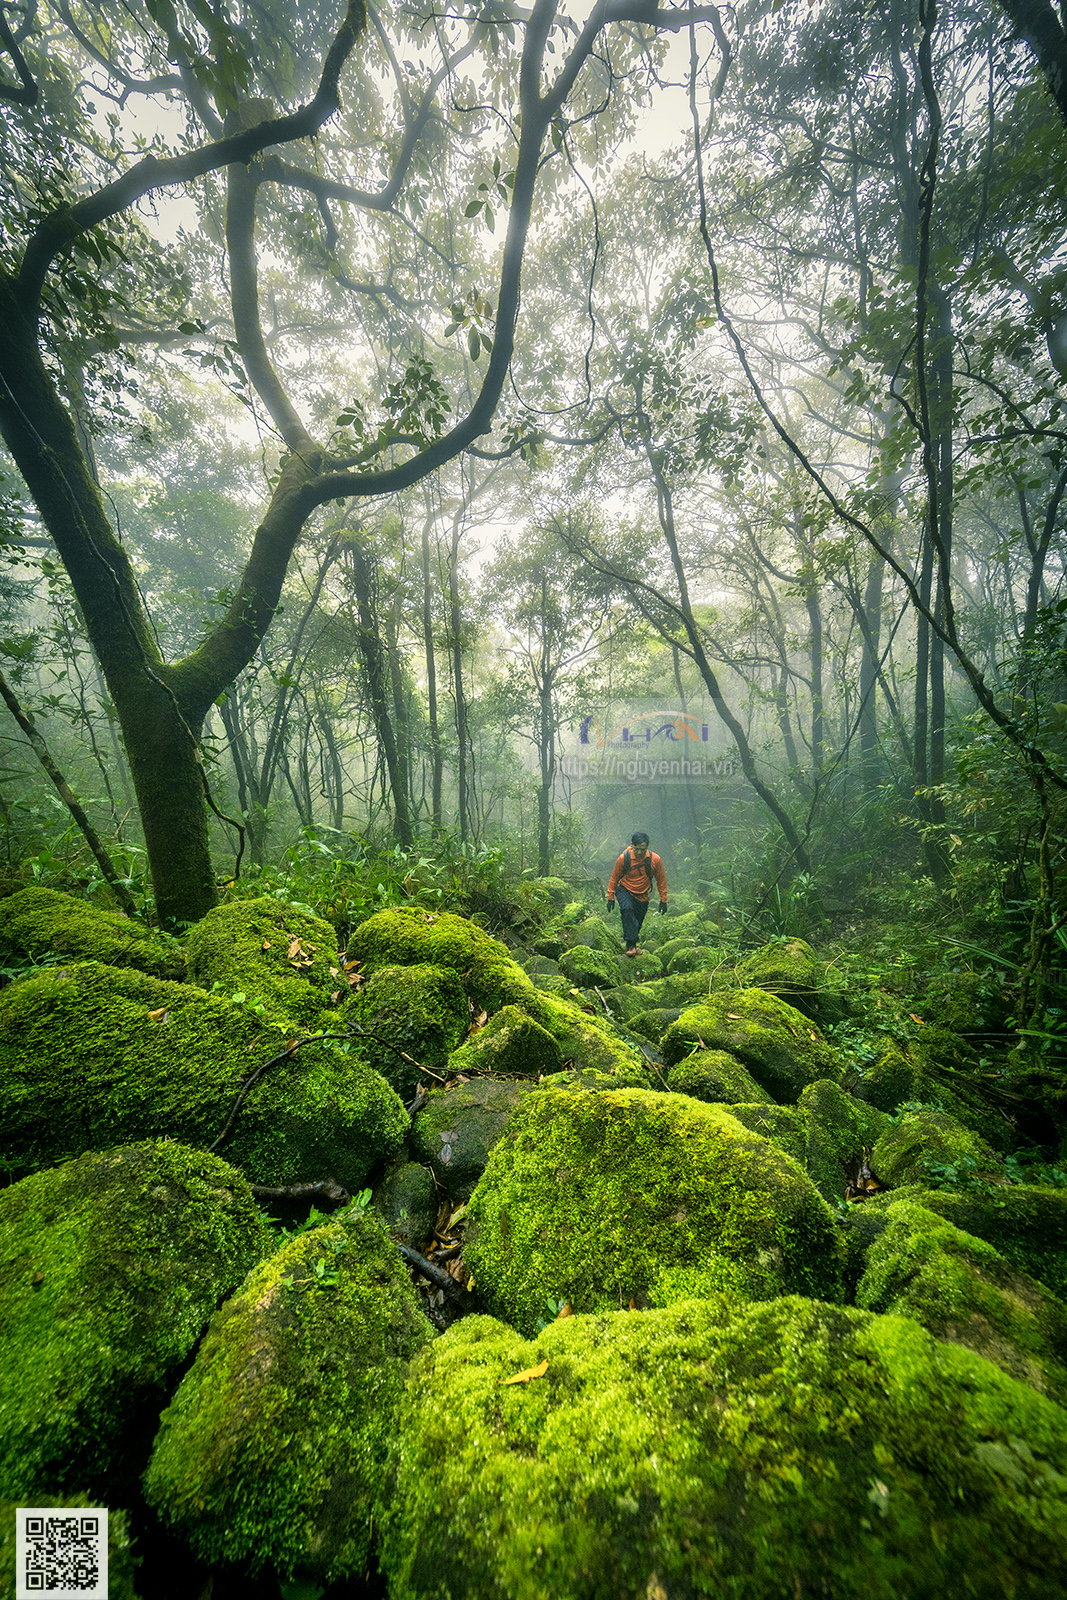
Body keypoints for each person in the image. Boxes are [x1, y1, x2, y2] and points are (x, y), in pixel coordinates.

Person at [606, 831, 667, 956]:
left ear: (647, 848)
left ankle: (632, 943)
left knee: (638, 921)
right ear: (632, 846)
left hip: (642, 894)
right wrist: (610, 897)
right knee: (627, 910)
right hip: (624, 889)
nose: (639, 852)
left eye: (643, 850)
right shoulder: (624, 858)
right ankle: (631, 945)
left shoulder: (655, 860)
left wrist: (663, 900)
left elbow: (661, 880)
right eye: (637, 849)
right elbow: (614, 878)